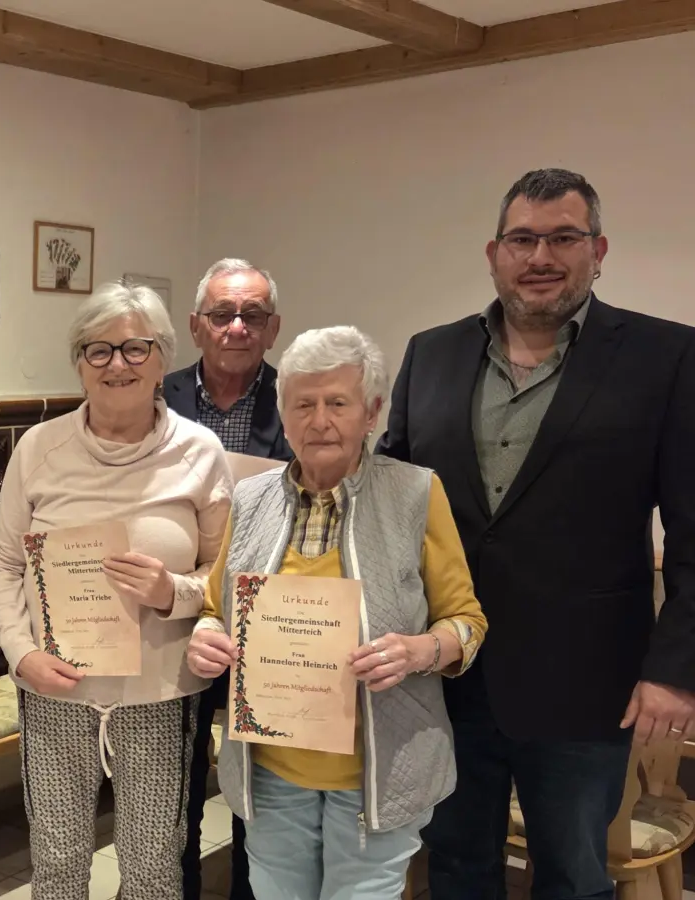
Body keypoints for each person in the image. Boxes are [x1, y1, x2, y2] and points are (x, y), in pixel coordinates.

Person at [377, 168, 695, 900]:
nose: (540, 256)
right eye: (523, 239)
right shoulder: (432, 353)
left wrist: (677, 667)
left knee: (573, 875)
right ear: (494, 253)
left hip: (584, 686)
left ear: (598, 248)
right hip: (446, 676)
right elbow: (396, 499)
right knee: (456, 864)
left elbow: (694, 530)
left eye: (563, 238)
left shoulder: (668, 359)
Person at [187, 325, 488, 900]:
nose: (319, 420)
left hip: (378, 772)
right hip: (270, 769)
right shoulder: (250, 498)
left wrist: (419, 650)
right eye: (303, 404)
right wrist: (206, 634)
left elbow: (466, 621)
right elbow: (214, 606)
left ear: (371, 411)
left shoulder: (416, 493)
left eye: (337, 403)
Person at [0, 281, 231, 899]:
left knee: (151, 869)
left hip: (159, 692)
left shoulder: (199, 453)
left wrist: (172, 590)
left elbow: (228, 578)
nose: (117, 364)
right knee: (59, 863)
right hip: (55, 689)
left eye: (134, 348)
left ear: (163, 359)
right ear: (79, 363)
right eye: (98, 350)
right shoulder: (39, 449)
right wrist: (21, 654)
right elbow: (2, 562)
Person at [163, 258, 291, 900]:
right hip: (171, 621)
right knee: (174, 789)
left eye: (253, 315)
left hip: (268, 626)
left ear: (273, 329)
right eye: (222, 314)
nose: (237, 326)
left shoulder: (300, 397)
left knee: (256, 790)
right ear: (196, 325)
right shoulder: (155, 395)